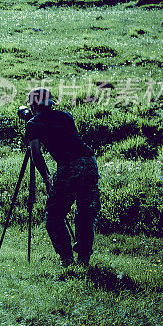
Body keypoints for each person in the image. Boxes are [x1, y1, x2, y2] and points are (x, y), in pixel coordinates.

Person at [25, 88, 101, 267]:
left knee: (54, 216)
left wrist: (47, 178)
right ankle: (83, 260)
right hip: (89, 163)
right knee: (85, 214)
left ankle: (66, 259)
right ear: (50, 103)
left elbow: (36, 154)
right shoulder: (66, 116)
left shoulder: (34, 124)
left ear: (34, 105)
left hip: (69, 166)